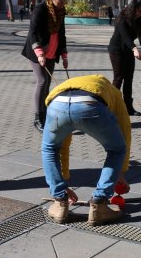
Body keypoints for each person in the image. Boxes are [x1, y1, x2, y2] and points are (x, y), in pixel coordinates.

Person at [41, 74, 131, 225]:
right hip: (89, 104)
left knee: (50, 149)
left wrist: (63, 184)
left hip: (56, 103)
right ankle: (99, 204)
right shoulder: (113, 91)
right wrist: (120, 172)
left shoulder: (69, 83)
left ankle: (59, 204)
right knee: (116, 150)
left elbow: (63, 143)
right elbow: (125, 132)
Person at [22, 0, 69, 133]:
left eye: (64, 1)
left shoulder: (61, 12)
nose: (62, 3)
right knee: (42, 81)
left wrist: (64, 55)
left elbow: (62, 34)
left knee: (47, 83)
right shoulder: (40, 9)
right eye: (60, 0)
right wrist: (39, 53)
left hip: (52, 52)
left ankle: (45, 113)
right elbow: (33, 32)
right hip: (38, 51)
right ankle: (37, 117)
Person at [108, 0, 141, 116]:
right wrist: (134, 49)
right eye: (139, 11)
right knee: (118, 78)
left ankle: (128, 108)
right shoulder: (123, 17)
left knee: (129, 79)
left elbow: (140, 33)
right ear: (133, 8)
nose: (140, 14)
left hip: (129, 50)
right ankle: (111, 107)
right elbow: (125, 37)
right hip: (117, 50)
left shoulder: (138, 19)